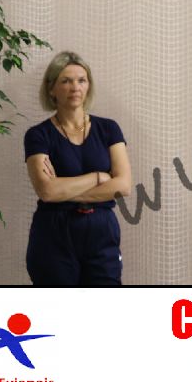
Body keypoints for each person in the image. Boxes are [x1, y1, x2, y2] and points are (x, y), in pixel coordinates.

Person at [23, 51, 131, 285]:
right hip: (53, 233)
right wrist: (99, 177)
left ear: (88, 86)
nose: (75, 87)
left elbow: (123, 186)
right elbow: (46, 191)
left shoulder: (109, 129)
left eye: (81, 80)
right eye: (66, 81)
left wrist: (63, 191)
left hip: (101, 230)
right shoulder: (38, 135)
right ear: (51, 89)